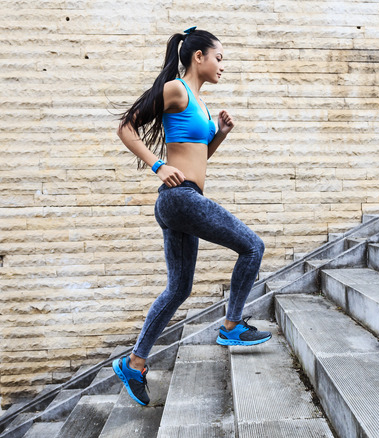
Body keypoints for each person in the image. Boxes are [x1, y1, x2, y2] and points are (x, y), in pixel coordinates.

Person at [112, 27, 271, 406]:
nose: (222, 66)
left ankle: (134, 363)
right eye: (219, 58)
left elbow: (198, 159)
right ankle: (231, 325)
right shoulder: (176, 89)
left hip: (184, 200)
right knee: (253, 246)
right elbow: (126, 127)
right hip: (178, 198)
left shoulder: (198, 103)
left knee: (179, 289)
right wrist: (156, 166)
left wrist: (221, 134)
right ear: (198, 56)